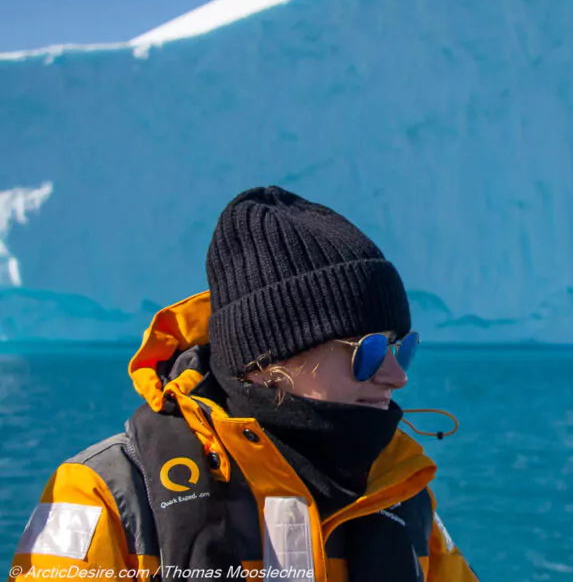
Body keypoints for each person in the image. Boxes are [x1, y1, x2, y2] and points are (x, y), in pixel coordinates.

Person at [10, 186, 477, 582]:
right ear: (270, 356)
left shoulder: (400, 491)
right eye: (369, 351)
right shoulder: (110, 497)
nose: (397, 376)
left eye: (400, 348)